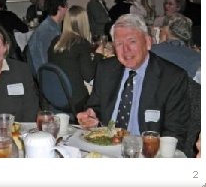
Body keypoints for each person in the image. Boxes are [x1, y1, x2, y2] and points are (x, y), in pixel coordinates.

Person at [77, 14, 190, 146]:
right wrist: (92, 116)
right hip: (106, 146)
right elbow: (95, 106)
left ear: (148, 42)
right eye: (119, 44)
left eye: (132, 41)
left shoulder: (172, 78)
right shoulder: (106, 68)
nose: (126, 50)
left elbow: (175, 134)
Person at [48, 6, 107, 113]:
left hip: (55, 94)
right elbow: (89, 76)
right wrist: (99, 55)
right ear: (84, 23)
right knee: (102, 98)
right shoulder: (81, 43)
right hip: (75, 99)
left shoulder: (55, 42)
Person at [27, 0, 68, 74]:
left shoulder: (50, 24)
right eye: (66, 6)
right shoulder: (49, 30)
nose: (67, 9)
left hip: (44, 70)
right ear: (60, 8)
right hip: (45, 74)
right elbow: (47, 60)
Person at [151, 13, 200, 80]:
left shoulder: (154, 52)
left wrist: (160, 43)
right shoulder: (198, 56)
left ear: (166, 30)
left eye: (161, 30)